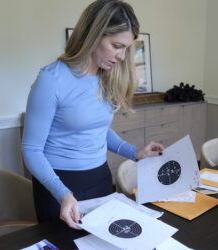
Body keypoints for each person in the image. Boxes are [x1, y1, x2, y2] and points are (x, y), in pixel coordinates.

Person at [21, 0, 164, 236]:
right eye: (117, 45)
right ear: (93, 35)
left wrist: (134, 153)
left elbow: (98, 130)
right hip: (59, 185)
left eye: (127, 48)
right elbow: (31, 150)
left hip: (100, 178)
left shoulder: (105, 78)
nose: (121, 56)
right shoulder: (51, 79)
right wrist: (63, 194)